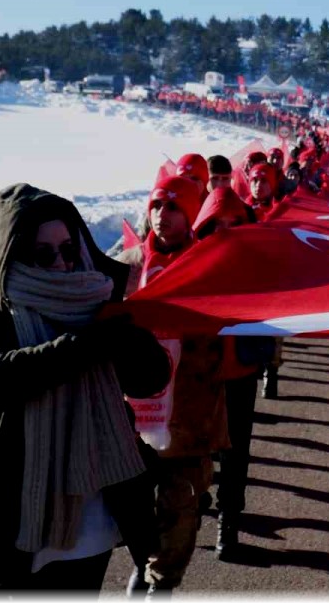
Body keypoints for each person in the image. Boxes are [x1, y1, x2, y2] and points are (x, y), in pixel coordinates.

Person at [0, 183, 170, 591]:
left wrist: (122, 332)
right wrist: (88, 343)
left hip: (93, 521)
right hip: (15, 520)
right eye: (43, 253)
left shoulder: (95, 298)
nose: (62, 264)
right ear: (7, 257)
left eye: (68, 249)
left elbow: (150, 377)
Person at [116, 177, 231, 597]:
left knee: (180, 508)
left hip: (189, 416)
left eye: (174, 207)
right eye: (156, 206)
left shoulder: (209, 264)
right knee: (135, 511)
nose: (162, 215)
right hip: (134, 414)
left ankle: (160, 584)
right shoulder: (127, 265)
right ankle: (143, 568)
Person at [193, 188, 274, 561]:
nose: (225, 231)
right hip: (197, 377)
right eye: (216, 225)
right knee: (191, 449)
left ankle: (229, 523)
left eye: (234, 223)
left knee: (236, 452)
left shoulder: (257, 265)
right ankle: (189, 513)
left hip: (240, 372)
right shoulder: (189, 265)